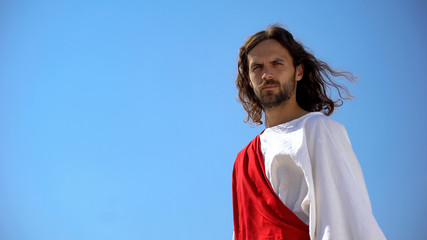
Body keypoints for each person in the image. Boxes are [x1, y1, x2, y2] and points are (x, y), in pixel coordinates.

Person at [232, 25, 385, 240]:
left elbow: (342, 222)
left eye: (277, 63)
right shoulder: (243, 160)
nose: (267, 74)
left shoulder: (317, 130)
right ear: (249, 79)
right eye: (257, 67)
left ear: (299, 71)